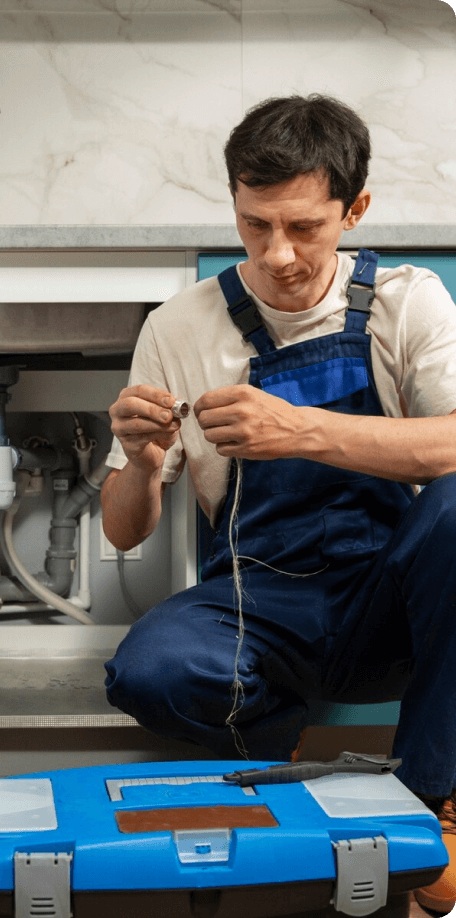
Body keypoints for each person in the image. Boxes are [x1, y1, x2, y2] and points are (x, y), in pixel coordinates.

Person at [101, 95, 456, 914]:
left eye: (303, 226)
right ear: (233, 199)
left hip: (394, 599)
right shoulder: (179, 325)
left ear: (354, 209)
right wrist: (141, 456)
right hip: (256, 606)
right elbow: (125, 531)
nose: (279, 254)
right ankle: (280, 775)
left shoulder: (407, 301)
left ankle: (426, 808)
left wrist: (301, 430)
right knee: (149, 671)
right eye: (255, 224)